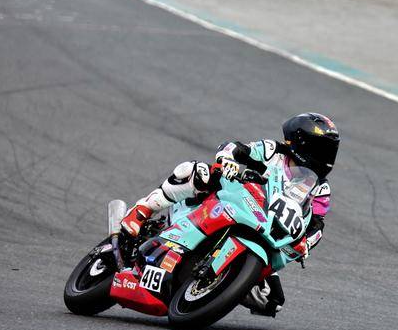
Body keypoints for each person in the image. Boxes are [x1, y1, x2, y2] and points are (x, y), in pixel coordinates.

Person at [121, 113, 340, 317]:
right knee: (198, 172)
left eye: (330, 151)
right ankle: (142, 210)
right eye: (321, 149)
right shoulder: (273, 151)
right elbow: (236, 148)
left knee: (271, 300)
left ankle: (222, 284)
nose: (326, 157)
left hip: (267, 233)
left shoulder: (320, 187)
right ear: (300, 142)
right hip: (236, 201)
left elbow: (317, 223)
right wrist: (228, 159)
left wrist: (306, 243)